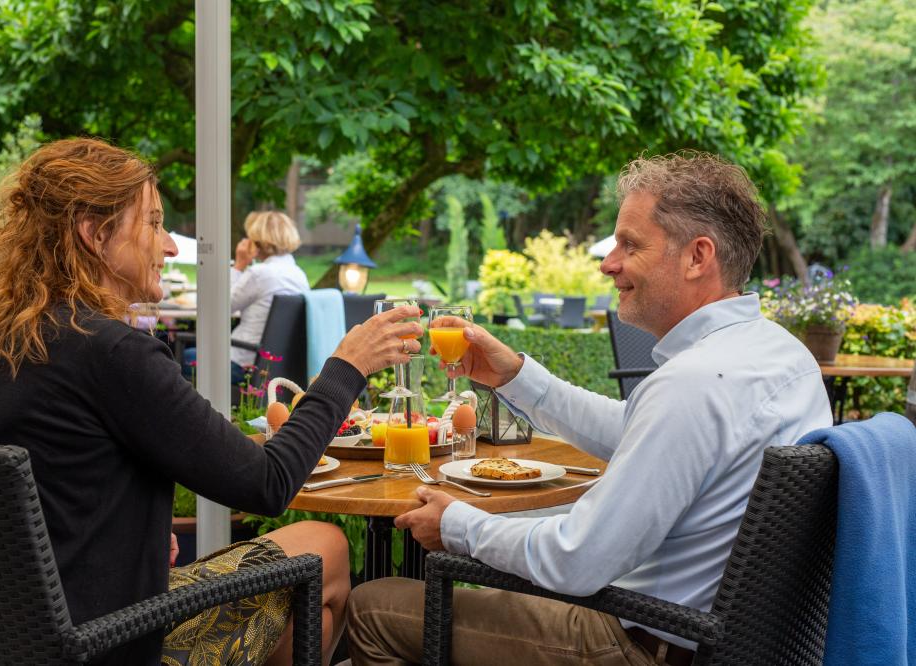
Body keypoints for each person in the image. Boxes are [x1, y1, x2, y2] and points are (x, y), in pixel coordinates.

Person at [0, 138, 423, 666]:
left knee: (312, 616)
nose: (169, 246)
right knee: (325, 545)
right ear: (96, 235)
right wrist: (344, 370)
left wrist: (134, 534)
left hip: (2, 635)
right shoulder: (112, 350)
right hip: (105, 640)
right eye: (153, 223)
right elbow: (267, 483)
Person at [346, 152, 833, 666]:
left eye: (630, 244)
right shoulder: (781, 355)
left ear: (697, 257)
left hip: (641, 643)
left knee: (374, 607)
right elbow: (633, 431)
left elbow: (577, 560)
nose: (608, 263)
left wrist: (459, 527)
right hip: (732, 641)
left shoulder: (693, 385)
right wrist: (515, 375)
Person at [181, 210, 310, 385]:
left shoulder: (260, 273)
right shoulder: (299, 275)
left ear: (259, 241)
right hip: (276, 364)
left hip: (243, 362)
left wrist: (239, 264)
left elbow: (220, 308)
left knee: (186, 355)